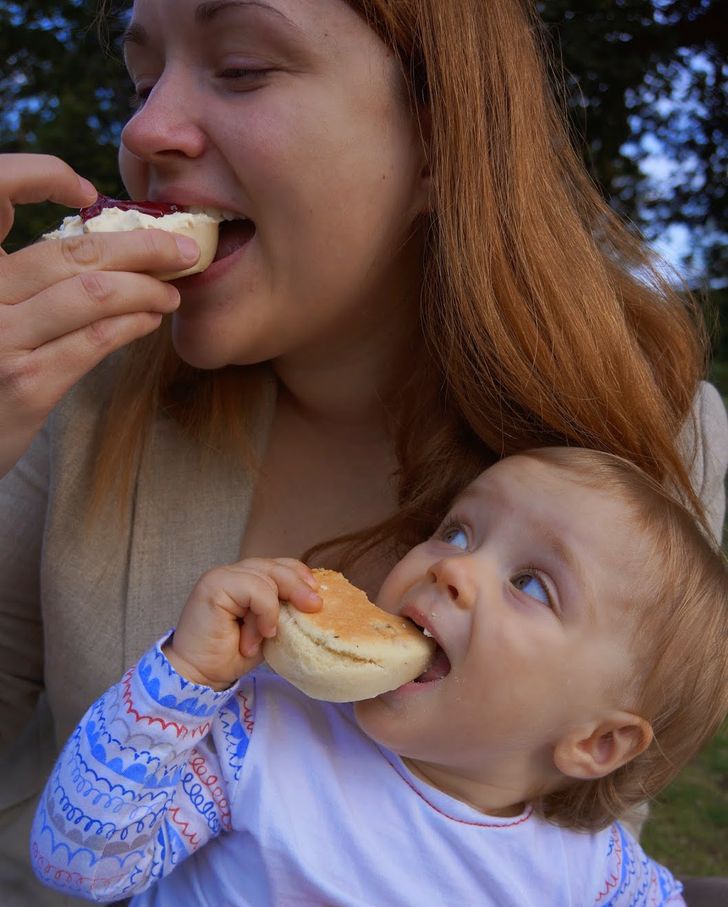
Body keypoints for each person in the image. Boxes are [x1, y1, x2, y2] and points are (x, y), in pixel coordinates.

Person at [1, 1, 727, 904]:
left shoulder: (652, 431)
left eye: (241, 67)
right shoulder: (70, 383)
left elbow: (571, 824)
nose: (143, 129)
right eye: (141, 80)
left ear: (437, 140)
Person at [30, 448, 728, 905]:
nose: (452, 567)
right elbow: (78, 863)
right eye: (458, 531)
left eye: (532, 584)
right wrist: (184, 675)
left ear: (597, 742)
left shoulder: (593, 875)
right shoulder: (266, 732)